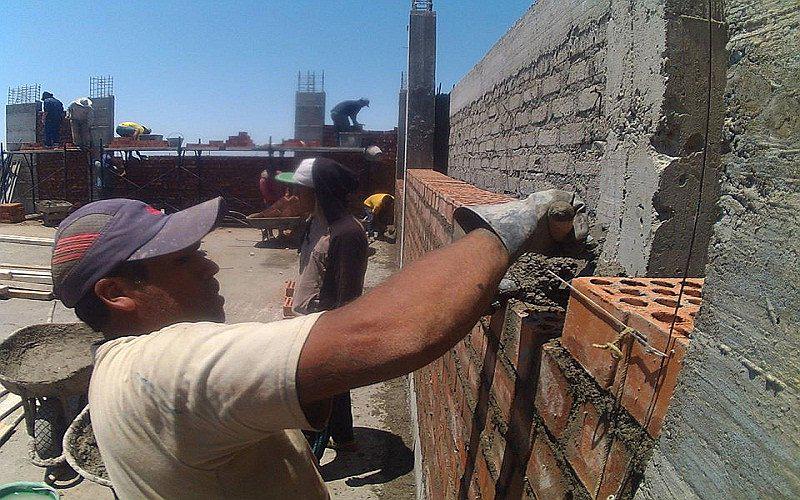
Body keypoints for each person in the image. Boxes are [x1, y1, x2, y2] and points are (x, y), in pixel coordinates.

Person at [50, 185, 587, 498]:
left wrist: (478, 286)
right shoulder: (166, 365)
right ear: (116, 292)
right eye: (184, 261)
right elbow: (395, 332)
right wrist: (506, 229)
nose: (211, 264)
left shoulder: (123, 368)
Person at [276, 158, 367, 452]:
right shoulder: (314, 224)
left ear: (320, 193)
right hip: (306, 320)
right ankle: (345, 437)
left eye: (298, 191)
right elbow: (311, 270)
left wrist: (332, 340)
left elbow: (347, 297)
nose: (292, 197)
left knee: (315, 392)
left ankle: (309, 457)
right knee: (332, 389)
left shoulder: (348, 234)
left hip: (322, 326)